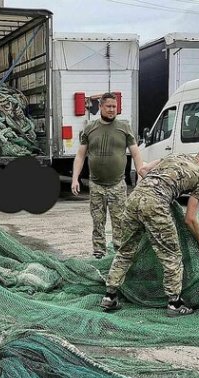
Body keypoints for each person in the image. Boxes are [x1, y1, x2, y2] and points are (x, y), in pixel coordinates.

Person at [100, 148, 199, 317]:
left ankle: (110, 296)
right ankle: (174, 303)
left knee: (125, 251)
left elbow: (143, 170)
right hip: (155, 205)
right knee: (172, 255)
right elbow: (190, 218)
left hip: (133, 199)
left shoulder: (176, 155)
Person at [72, 92, 144, 259]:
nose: (112, 110)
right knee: (98, 222)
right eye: (109, 106)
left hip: (117, 185)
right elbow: (81, 155)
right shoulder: (90, 128)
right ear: (101, 107)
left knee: (120, 223)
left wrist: (141, 173)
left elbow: (135, 152)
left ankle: (119, 254)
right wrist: (75, 178)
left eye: (114, 106)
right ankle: (99, 253)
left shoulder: (124, 127)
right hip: (96, 185)